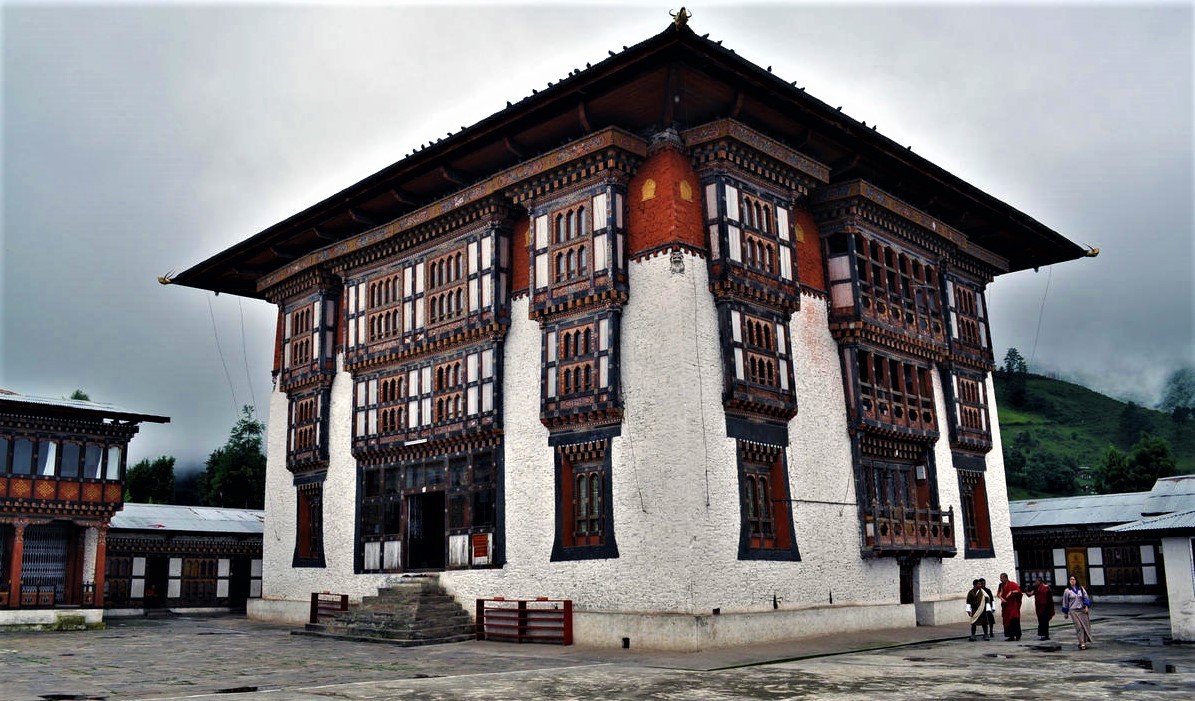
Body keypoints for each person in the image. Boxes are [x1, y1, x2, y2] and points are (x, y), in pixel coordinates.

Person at [1061, 574, 1093, 650]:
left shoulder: (1081, 589)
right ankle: (1082, 643)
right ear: (1069, 581)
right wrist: (1065, 613)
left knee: (1085, 626)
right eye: (1071, 579)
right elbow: (1065, 602)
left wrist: (1086, 606)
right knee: (1079, 626)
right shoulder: (1067, 591)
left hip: (1082, 610)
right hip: (1073, 610)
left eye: (1074, 579)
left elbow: (1085, 598)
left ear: (1076, 581)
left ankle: (1083, 641)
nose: (1072, 581)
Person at [997, 572, 1023, 641]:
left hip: (1013, 605)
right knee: (1006, 621)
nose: (1001, 580)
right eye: (1000, 578)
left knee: (1015, 620)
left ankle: (1017, 635)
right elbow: (998, 594)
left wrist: (1011, 592)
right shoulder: (1001, 585)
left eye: (1002, 578)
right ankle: (1010, 636)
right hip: (1005, 606)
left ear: (1006, 578)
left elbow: (1018, 591)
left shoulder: (1012, 584)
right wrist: (1002, 599)